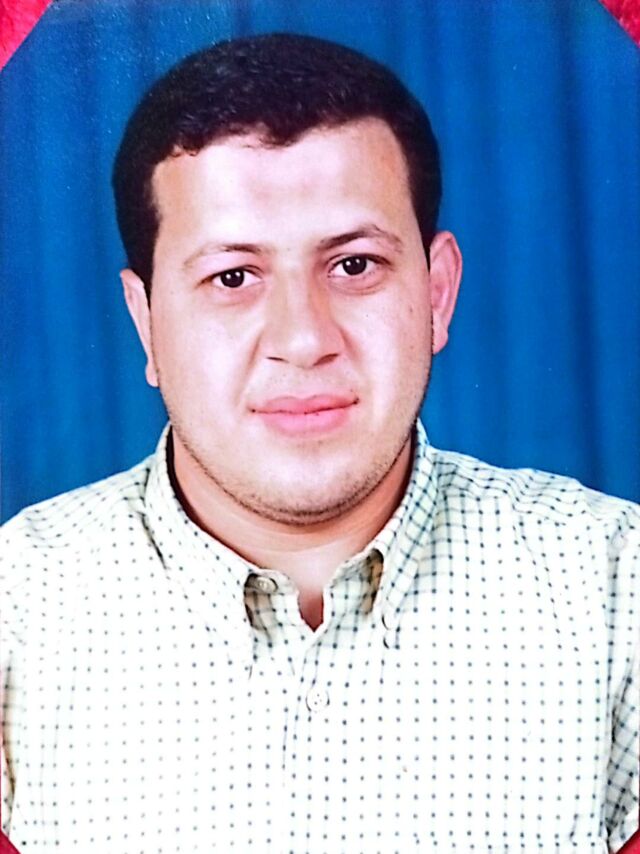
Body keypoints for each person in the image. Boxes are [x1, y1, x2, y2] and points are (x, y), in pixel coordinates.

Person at [1, 32, 637, 853]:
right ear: (146, 320)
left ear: (437, 293)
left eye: (355, 266)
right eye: (233, 278)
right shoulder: (19, 610)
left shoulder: (614, 589)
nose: (303, 340)